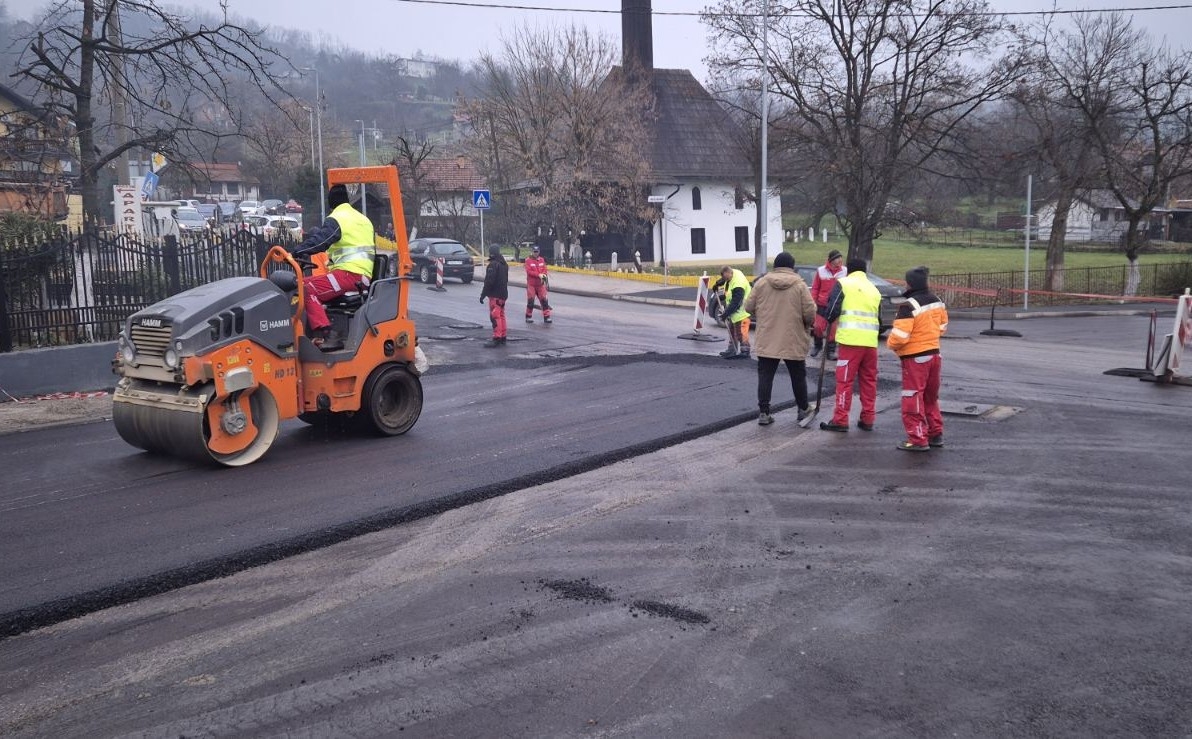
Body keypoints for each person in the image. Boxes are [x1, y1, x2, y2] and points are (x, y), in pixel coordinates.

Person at [290, 184, 374, 350]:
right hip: (362, 276)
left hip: (349, 275)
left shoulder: (337, 218)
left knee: (304, 287)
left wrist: (296, 252)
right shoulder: (364, 220)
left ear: (331, 203)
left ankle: (326, 333)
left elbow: (321, 241)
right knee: (308, 284)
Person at [743, 252, 816, 425]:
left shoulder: (762, 283)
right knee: (797, 376)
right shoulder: (799, 285)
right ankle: (803, 409)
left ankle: (764, 413)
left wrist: (762, 314)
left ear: (775, 266)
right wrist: (806, 324)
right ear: (792, 266)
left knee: (765, 377)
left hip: (767, 337)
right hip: (793, 337)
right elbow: (810, 313)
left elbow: (748, 307)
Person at [886, 266, 949, 452]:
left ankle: (917, 438)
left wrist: (891, 345)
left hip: (915, 358)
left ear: (910, 284)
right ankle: (935, 434)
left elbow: (899, 337)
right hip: (934, 354)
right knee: (930, 397)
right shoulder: (937, 301)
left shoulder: (908, 306)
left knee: (912, 397)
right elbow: (943, 326)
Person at [819, 258, 881, 432]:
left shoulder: (843, 284)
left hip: (850, 342)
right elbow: (879, 317)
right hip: (870, 343)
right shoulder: (874, 289)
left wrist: (827, 319)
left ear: (849, 270)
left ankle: (840, 419)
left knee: (845, 381)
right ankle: (868, 418)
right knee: (869, 381)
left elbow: (832, 310)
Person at [810, 249, 847, 360]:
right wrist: (813, 301)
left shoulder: (845, 271)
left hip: (835, 305)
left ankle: (830, 351)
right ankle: (818, 346)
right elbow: (815, 288)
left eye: (840, 257)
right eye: (837, 258)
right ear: (831, 260)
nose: (840, 260)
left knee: (833, 330)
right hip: (822, 304)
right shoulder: (821, 271)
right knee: (818, 327)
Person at [717, 265, 752, 359]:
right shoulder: (732, 273)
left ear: (730, 273)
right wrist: (717, 284)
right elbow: (726, 282)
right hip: (735, 311)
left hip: (742, 310)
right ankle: (732, 350)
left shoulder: (738, 284)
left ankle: (745, 352)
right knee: (732, 330)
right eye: (725, 278)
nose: (726, 280)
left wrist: (725, 314)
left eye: (727, 278)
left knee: (741, 332)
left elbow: (736, 302)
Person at [479, 244, 509, 347]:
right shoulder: (504, 264)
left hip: (495, 295)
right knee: (501, 315)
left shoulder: (493, 265)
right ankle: (503, 336)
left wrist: (483, 294)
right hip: (503, 294)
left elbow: (489, 282)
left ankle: (497, 338)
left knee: (495, 316)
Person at [523, 244, 553, 324]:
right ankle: (528, 316)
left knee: (544, 300)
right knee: (531, 300)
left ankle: (547, 316)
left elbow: (545, 270)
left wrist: (545, 281)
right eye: (534, 252)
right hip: (531, 284)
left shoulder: (542, 260)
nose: (536, 253)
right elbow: (529, 272)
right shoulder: (528, 260)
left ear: (539, 252)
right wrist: (538, 275)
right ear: (532, 252)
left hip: (540, 284)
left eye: (537, 252)